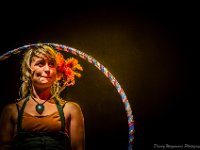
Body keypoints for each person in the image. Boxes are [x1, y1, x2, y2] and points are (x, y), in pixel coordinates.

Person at [0, 45, 85, 150]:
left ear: (57, 72)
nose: (47, 69)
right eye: (40, 63)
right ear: (28, 70)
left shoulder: (70, 110)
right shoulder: (11, 111)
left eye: (51, 64)